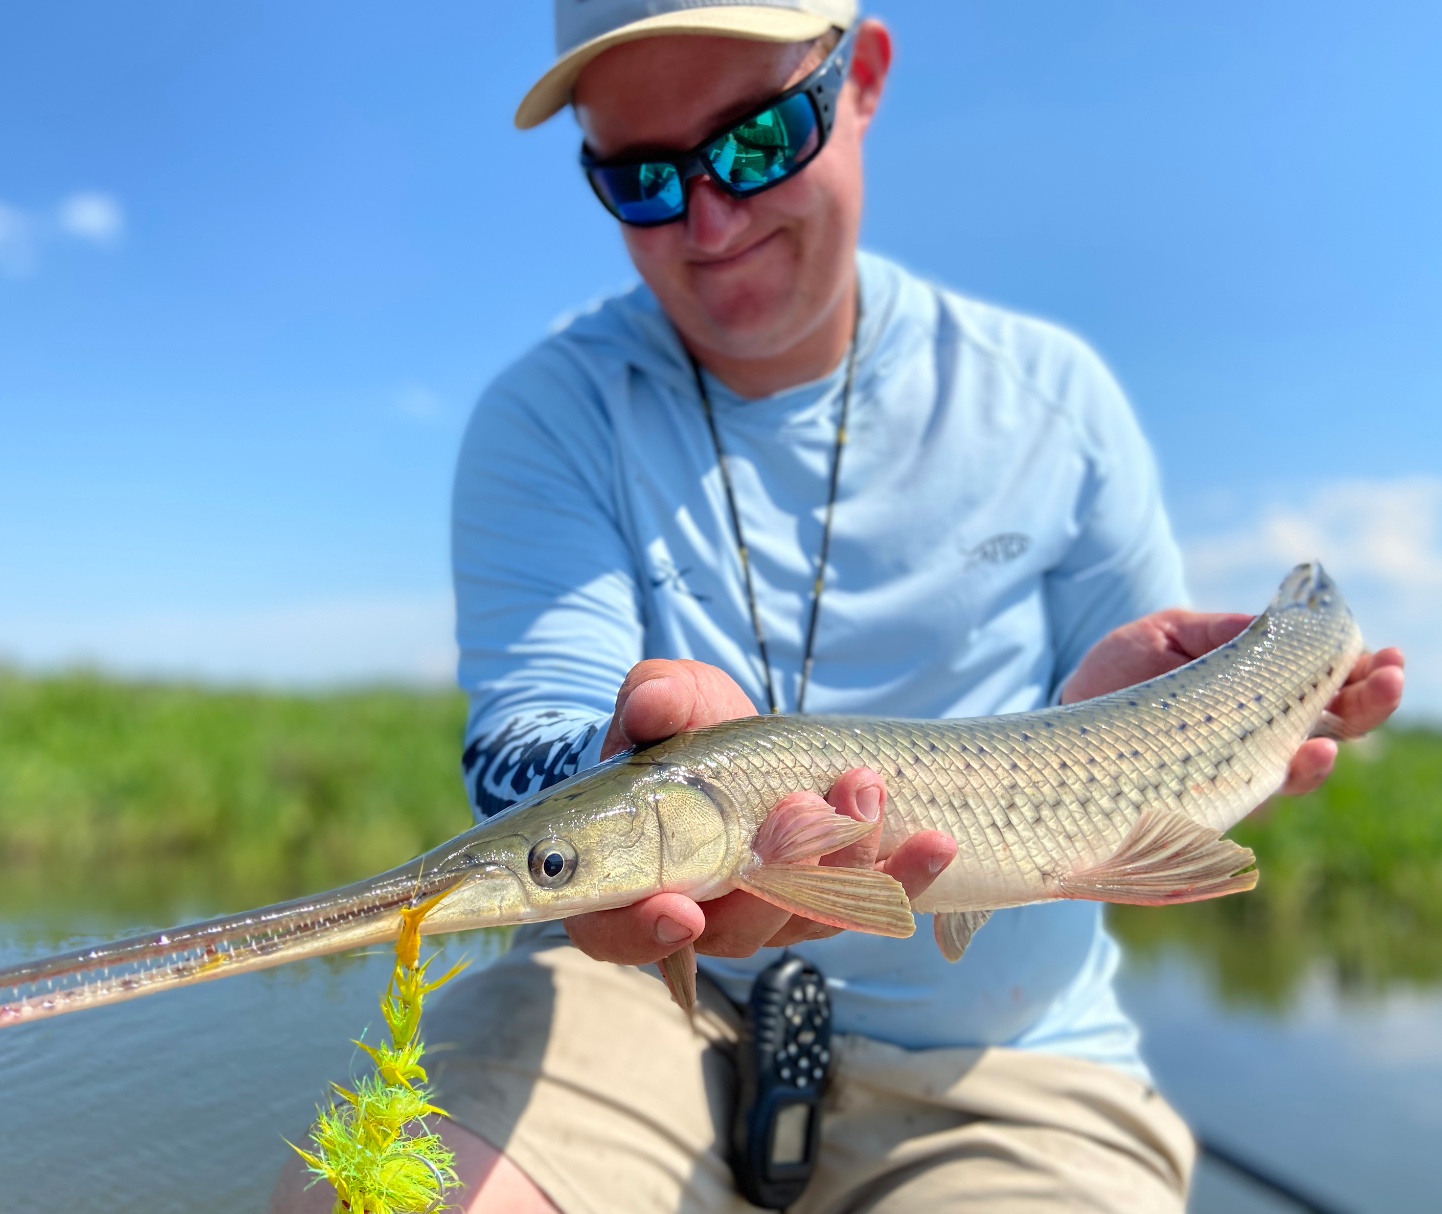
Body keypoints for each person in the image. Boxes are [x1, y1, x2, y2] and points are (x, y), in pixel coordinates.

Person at [273, 3, 1406, 1211]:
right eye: (642, 179)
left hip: (1000, 1059)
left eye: (759, 140)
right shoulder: (547, 415)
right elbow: (524, 750)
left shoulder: (1057, 401)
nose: (711, 219)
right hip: (639, 1000)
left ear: (858, 77)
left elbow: (1138, 745)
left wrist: (1104, 701)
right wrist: (608, 765)